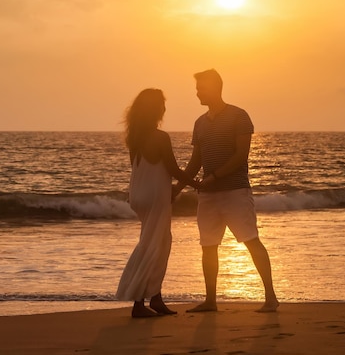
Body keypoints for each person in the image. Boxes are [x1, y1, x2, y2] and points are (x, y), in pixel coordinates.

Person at [173, 69, 279, 313]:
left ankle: (271, 297)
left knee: (251, 241)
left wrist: (215, 177)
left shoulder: (238, 116)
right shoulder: (199, 123)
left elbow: (241, 155)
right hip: (208, 195)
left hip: (235, 191)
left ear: (214, 87)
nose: (197, 92)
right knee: (208, 246)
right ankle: (210, 301)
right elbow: (195, 160)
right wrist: (178, 187)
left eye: (201, 87)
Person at [116, 88, 202, 318]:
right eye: (162, 104)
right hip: (155, 196)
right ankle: (139, 301)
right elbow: (172, 169)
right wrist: (197, 184)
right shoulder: (160, 137)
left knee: (156, 241)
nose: (165, 108)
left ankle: (154, 298)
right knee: (154, 245)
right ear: (155, 109)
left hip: (138, 194)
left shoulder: (135, 137)